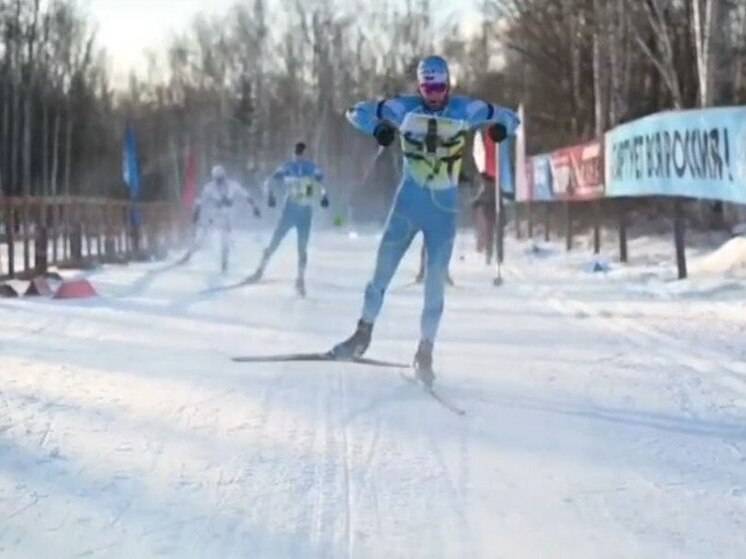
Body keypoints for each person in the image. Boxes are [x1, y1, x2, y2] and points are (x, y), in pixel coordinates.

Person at [330, 55, 519, 387]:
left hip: (443, 211)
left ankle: (425, 352)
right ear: (420, 86)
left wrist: (502, 129)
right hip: (408, 202)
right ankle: (362, 335)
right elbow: (355, 111)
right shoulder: (403, 107)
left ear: (449, 84)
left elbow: (510, 117)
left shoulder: (466, 109)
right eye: (428, 87)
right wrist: (377, 127)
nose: (434, 94)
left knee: (434, 286)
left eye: (440, 86)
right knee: (381, 271)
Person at [247, 142, 328, 296]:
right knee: (276, 240)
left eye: (300, 152)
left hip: (304, 211)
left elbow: (319, 183)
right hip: (290, 210)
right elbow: (269, 181)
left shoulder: (311, 167)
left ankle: (300, 279)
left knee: (302, 247)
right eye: (296, 152)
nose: (298, 155)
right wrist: (270, 195)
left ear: (304, 153)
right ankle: (260, 269)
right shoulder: (287, 167)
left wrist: (324, 197)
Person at [186, 164, 260, 272]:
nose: (219, 181)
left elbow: (245, 195)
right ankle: (192, 251)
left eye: (221, 178)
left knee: (225, 238)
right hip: (215, 214)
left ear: (224, 176)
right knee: (205, 232)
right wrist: (196, 213)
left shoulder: (232, 185)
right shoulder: (210, 187)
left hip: (228, 215)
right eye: (217, 178)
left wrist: (254, 207)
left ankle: (224, 261)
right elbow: (201, 199)